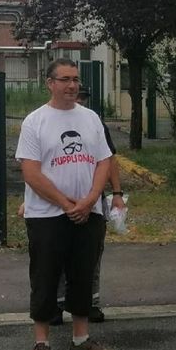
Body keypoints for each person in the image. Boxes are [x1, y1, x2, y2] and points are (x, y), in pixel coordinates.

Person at [15, 58, 115, 350]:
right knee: (44, 277)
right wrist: (65, 203)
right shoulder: (35, 121)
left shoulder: (91, 119)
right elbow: (30, 171)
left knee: (83, 276)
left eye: (75, 79)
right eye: (65, 79)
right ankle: (42, 344)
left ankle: (81, 340)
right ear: (50, 83)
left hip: (89, 213)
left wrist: (89, 201)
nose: (72, 85)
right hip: (47, 215)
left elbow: (104, 162)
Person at [50, 86, 126, 325]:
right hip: (57, 203)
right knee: (58, 256)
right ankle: (57, 305)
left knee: (91, 255)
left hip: (92, 201)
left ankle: (90, 303)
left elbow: (109, 159)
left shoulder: (94, 123)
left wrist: (116, 192)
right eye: (77, 96)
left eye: (83, 97)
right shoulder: (45, 121)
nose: (79, 101)